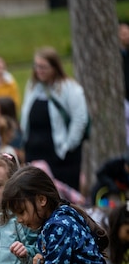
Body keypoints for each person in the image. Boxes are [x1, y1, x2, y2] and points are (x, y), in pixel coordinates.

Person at [21, 47, 89, 193]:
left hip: (61, 158)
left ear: (54, 67)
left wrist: (67, 147)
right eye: (37, 66)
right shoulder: (33, 86)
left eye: (43, 67)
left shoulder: (70, 88)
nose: (39, 70)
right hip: (35, 154)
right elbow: (25, 113)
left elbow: (80, 119)